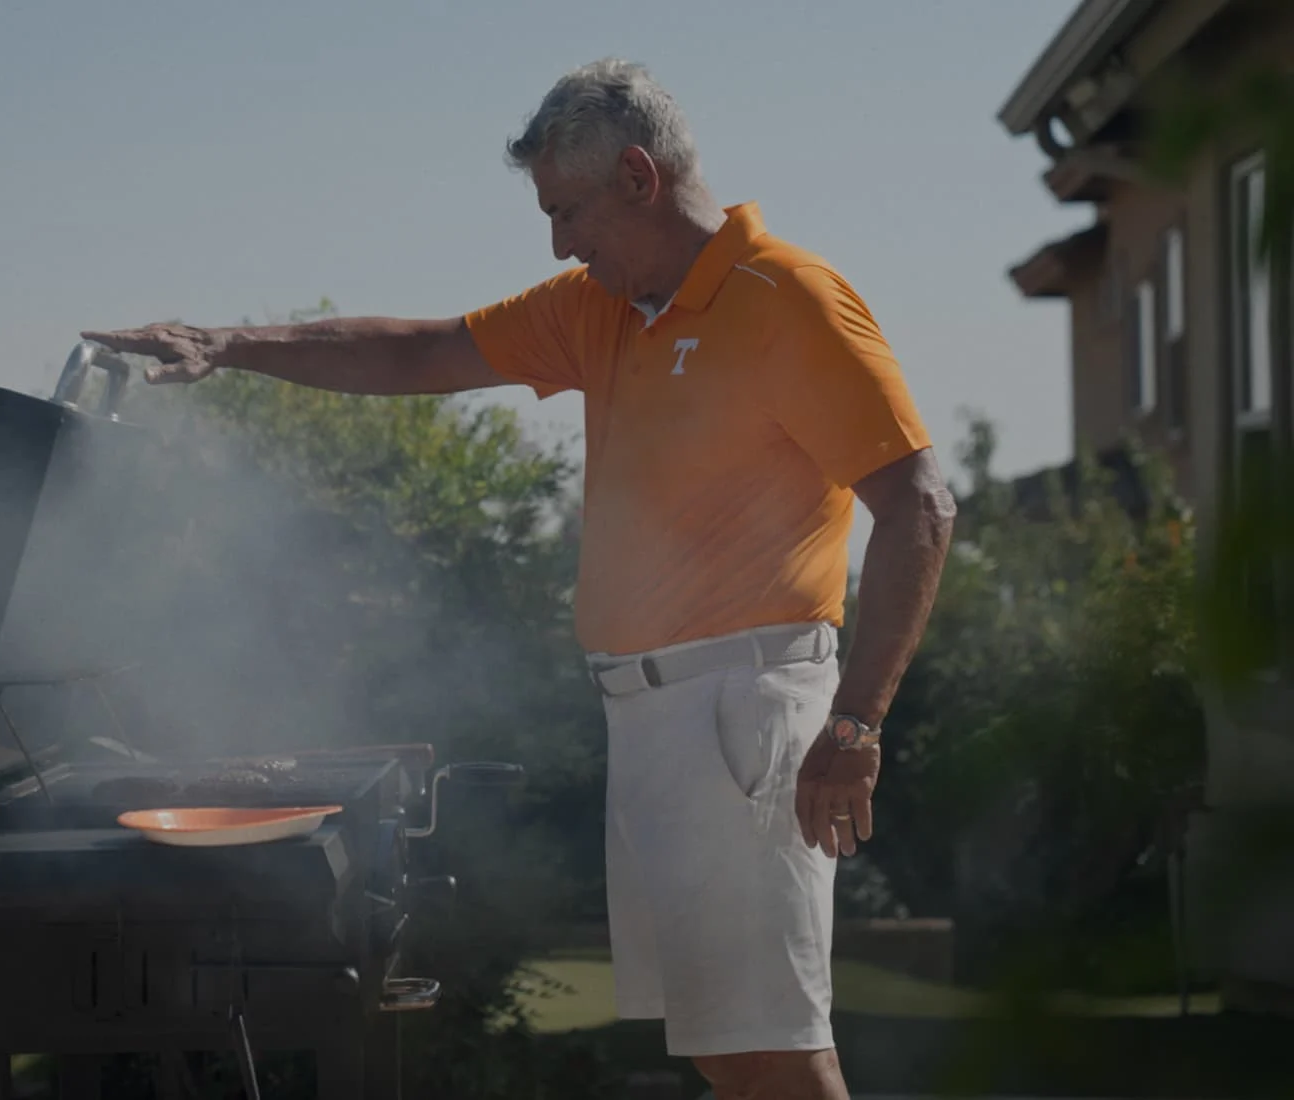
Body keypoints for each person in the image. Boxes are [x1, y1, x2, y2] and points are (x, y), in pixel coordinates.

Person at [85, 57, 955, 1100]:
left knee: (773, 1046)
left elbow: (921, 505)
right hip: (653, 715)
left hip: (743, 711)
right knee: (726, 1048)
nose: (559, 244)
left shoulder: (787, 296)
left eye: (566, 212)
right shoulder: (601, 309)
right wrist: (225, 344)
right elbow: (422, 353)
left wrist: (856, 724)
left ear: (637, 176)